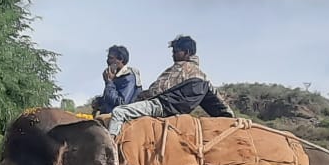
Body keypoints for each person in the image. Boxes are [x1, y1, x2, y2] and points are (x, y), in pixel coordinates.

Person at [105, 35, 234, 138]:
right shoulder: (203, 79)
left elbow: (154, 91)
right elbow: (218, 103)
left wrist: (135, 101)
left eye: (176, 51)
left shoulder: (180, 69)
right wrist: (231, 119)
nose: (173, 55)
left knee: (119, 112)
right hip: (175, 112)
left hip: (160, 106)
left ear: (187, 52)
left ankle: (109, 149)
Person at [94, 45, 142, 114]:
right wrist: (99, 101)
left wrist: (109, 82)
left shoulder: (129, 77)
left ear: (121, 59)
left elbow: (121, 103)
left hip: (123, 118)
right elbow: (110, 99)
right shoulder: (115, 76)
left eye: (111, 58)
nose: (107, 61)